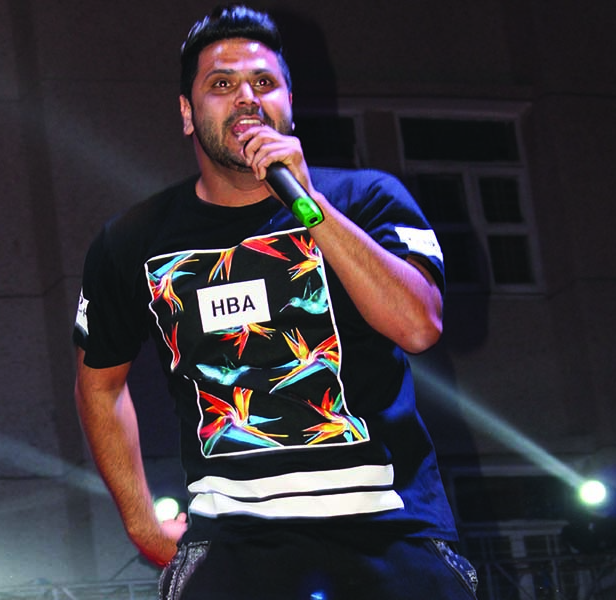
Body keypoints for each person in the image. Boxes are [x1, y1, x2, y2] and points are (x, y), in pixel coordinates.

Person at [73, 5, 477, 599]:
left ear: (289, 102)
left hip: (389, 531)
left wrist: (310, 203)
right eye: (221, 84)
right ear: (186, 113)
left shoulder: (365, 199)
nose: (246, 98)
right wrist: (141, 524)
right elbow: (99, 386)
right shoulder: (132, 240)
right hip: (232, 544)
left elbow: (418, 325)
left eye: (263, 82)